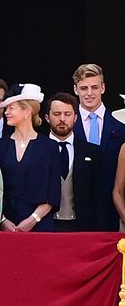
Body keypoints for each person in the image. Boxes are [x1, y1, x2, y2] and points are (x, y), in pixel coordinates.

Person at [0, 84, 60, 232]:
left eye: (11, 108)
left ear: (27, 111)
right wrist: (2, 220)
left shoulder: (49, 147)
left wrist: (33, 220)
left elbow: (53, 192)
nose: (6, 112)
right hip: (6, 226)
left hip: (40, 227)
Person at [71, 64, 125, 230]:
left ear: (103, 88)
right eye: (83, 88)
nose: (89, 93)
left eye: (94, 87)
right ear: (75, 89)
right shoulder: (66, 127)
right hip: (75, 214)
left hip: (111, 213)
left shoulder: (121, 128)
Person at [46, 92, 102, 232]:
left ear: (76, 117)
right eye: (57, 114)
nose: (62, 119)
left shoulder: (92, 152)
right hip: (45, 226)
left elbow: (99, 195)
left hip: (82, 227)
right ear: (47, 117)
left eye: (67, 114)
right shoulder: (37, 149)